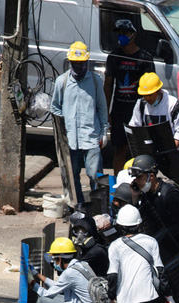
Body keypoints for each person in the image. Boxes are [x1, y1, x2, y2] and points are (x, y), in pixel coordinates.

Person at [129, 154, 179, 303]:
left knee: (172, 288)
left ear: (151, 176)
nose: (137, 182)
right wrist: (135, 198)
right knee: (157, 288)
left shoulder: (170, 194)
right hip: (162, 247)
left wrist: (157, 237)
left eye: (139, 177)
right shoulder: (146, 195)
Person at [51, 41, 109, 203]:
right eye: (75, 64)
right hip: (70, 140)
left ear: (87, 62)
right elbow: (55, 109)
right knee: (72, 177)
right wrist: (61, 136)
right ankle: (78, 207)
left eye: (81, 63)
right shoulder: (61, 82)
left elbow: (101, 108)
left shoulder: (96, 81)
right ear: (70, 63)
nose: (78, 67)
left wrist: (104, 132)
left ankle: (100, 208)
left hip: (91, 138)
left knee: (96, 177)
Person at [128, 73, 179, 200]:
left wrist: (167, 154)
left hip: (174, 156)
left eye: (150, 95)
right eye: (144, 95)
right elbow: (134, 127)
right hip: (149, 155)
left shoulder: (175, 105)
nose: (147, 98)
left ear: (159, 91)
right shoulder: (140, 105)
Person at [104, 19, 154, 175]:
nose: (121, 36)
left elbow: (152, 88)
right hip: (119, 112)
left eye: (125, 33)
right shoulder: (114, 56)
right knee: (120, 149)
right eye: (119, 33)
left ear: (133, 34)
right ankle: (118, 184)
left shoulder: (145, 57)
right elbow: (108, 85)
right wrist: (107, 112)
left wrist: (148, 114)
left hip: (138, 112)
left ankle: (138, 183)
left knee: (139, 151)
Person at [29, 237, 96, 303]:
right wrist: (36, 274)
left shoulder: (69, 273)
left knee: (41, 302)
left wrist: (32, 283)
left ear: (60, 258)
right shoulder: (82, 265)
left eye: (55, 260)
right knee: (57, 298)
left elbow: (46, 294)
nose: (54, 263)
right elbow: (57, 286)